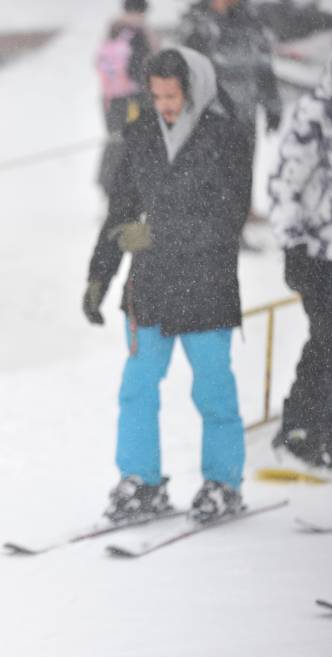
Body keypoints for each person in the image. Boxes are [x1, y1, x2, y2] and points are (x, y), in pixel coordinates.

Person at [83, 47, 251, 523]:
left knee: (214, 392)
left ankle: (223, 483)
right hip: (151, 290)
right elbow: (119, 215)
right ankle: (141, 481)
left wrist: (160, 233)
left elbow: (229, 218)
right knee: (137, 390)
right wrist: (98, 276)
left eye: (172, 95)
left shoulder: (226, 137)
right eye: (156, 95)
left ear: (194, 88)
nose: (165, 105)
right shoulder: (139, 136)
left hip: (207, 288)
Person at [266, 57, 332, 477]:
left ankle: (316, 429)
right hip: (318, 253)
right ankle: (300, 430)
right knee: (327, 340)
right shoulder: (318, 113)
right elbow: (284, 182)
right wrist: (292, 244)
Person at [180, 0, 282, 232]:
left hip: (245, 111)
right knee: (213, 171)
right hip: (211, 114)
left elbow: (264, 64)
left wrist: (273, 106)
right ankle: (218, 228)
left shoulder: (250, 20)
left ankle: (240, 217)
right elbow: (184, 68)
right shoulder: (199, 21)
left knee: (242, 167)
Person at [95, 0, 157, 197]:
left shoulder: (114, 30)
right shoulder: (139, 32)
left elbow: (98, 63)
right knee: (133, 140)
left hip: (111, 99)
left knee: (116, 139)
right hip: (134, 99)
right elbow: (144, 68)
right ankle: (122, 188)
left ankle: (107, 184)